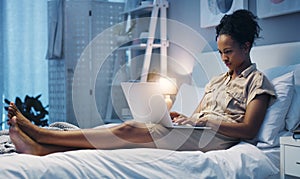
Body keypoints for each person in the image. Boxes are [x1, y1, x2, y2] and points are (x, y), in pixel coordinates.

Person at [7, 9, 276, 156]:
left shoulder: (258, 81)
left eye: (228, 51)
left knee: (127, 130)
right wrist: (182, 118)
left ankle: (42, 134)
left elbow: (249, 130)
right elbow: (197, 116)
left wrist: (205, 122)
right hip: (197, 132)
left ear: (246, 45)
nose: (223, 58)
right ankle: (43, 148)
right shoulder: (217, 81)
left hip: (217, 139)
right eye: (220, 52)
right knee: (130, 134)